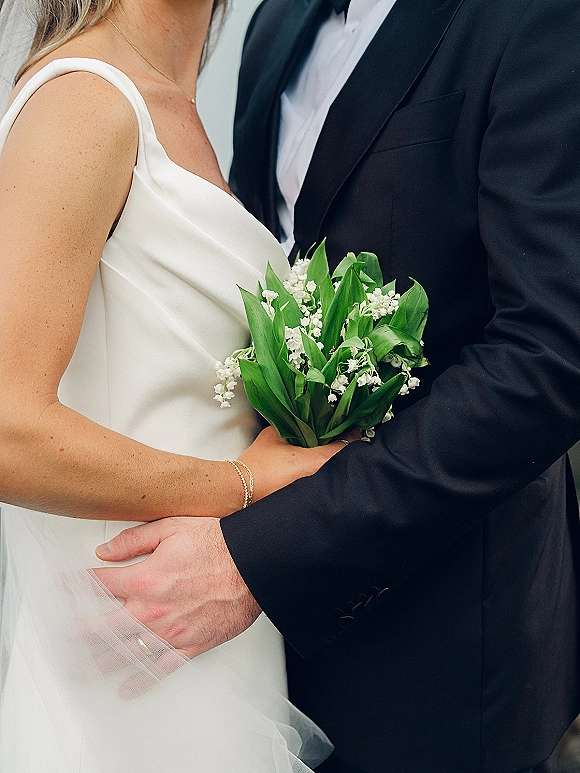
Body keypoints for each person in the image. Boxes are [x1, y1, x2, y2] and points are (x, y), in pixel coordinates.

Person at [92, 0, 580, 771]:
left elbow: (551, 356)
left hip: (443, 649)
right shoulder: (275, 26)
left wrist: (258, 557)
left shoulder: (533, 18)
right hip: (256, 658)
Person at [0, 0, 356, 770]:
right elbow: (6, 430)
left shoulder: (182, 106)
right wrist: (242, 484)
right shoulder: (85, 100)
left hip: (207, 645)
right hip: (126, 667)